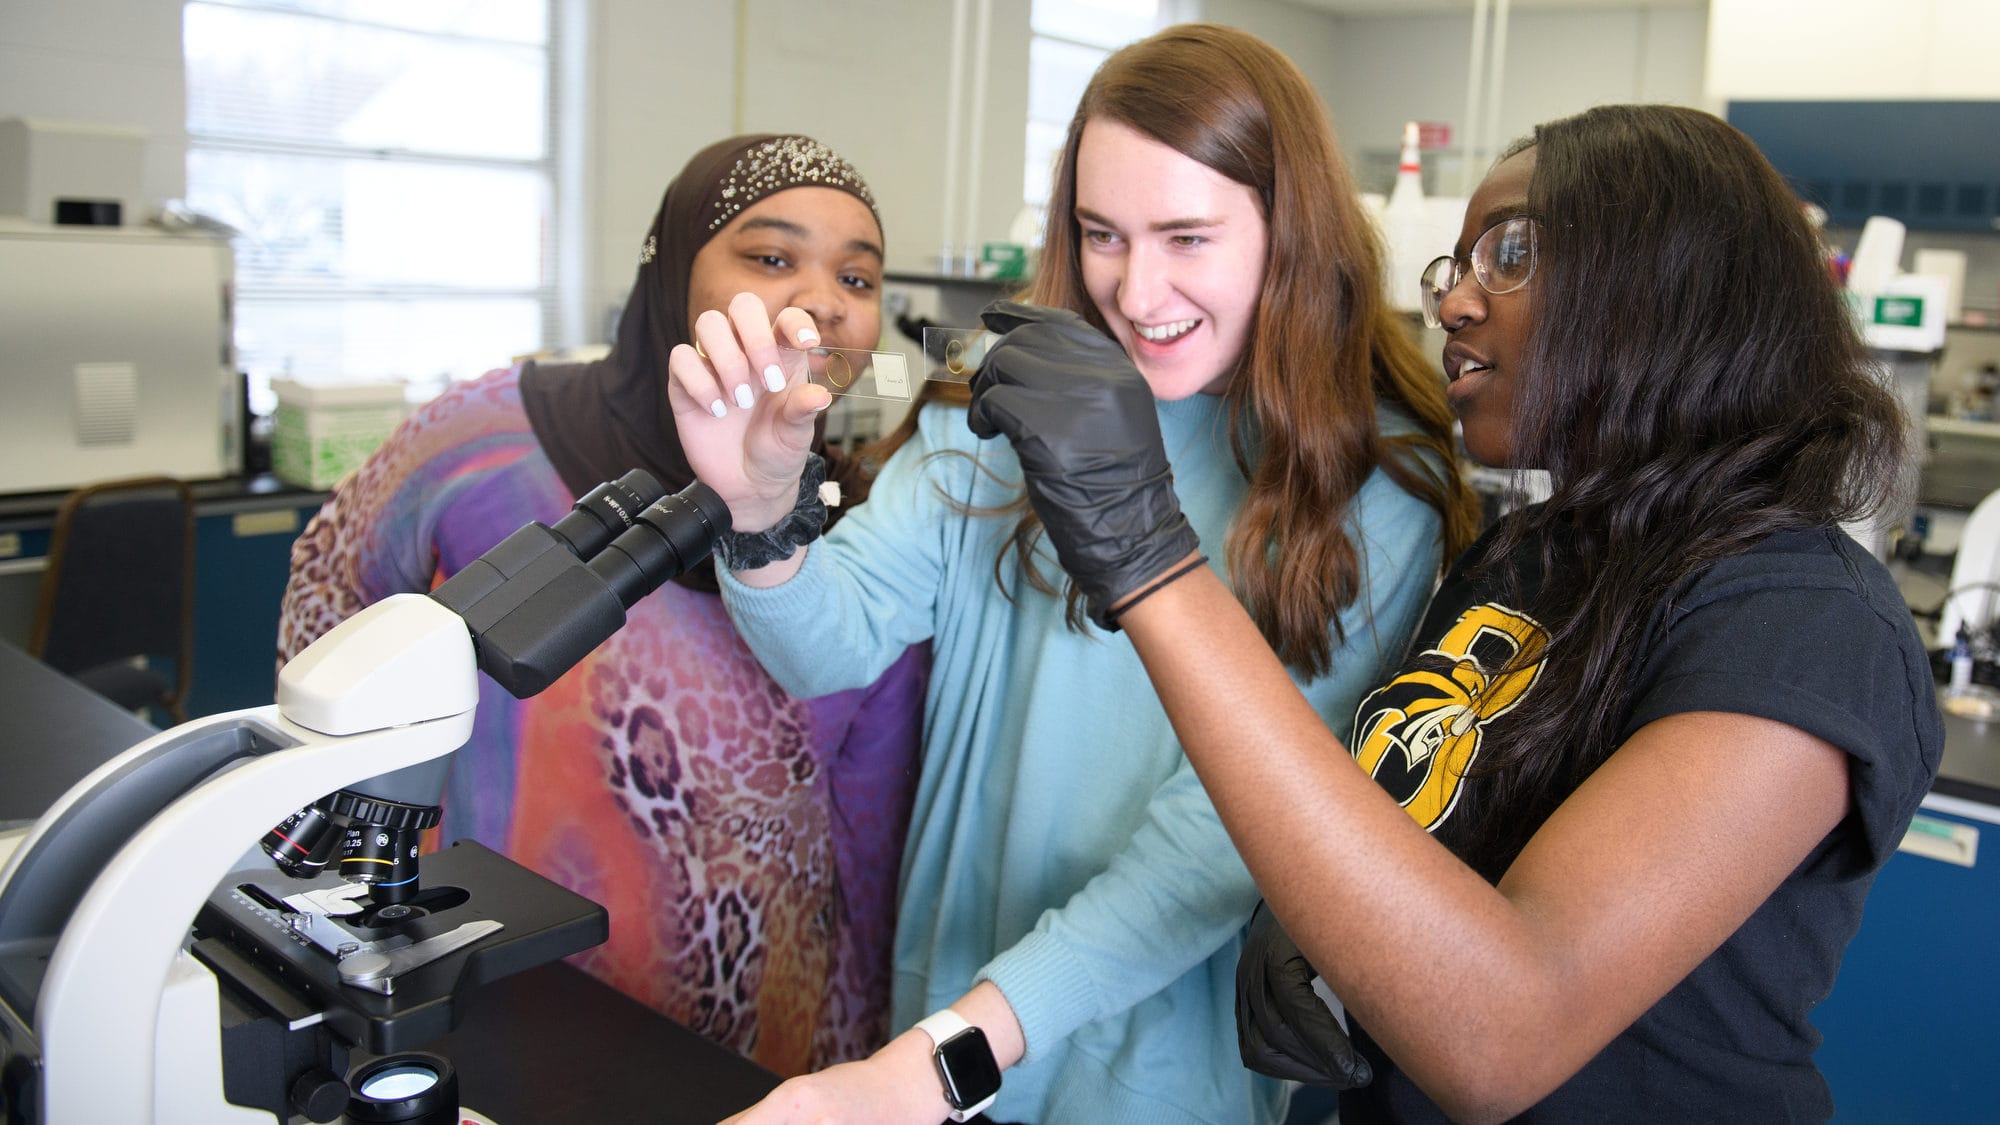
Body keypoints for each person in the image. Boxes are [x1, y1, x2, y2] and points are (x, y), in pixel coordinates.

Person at [967, 103, 1945, 1122]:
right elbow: (1426, 821)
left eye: (1509, 253)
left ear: (1675, 279)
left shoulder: (1802, 621)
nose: (1453, 304)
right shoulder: (1529, 557)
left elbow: (1503, 1031)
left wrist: (1147, 557)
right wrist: (1322, 926)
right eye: (1455, 267)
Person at [674, 23, 1479, 1125]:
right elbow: (827, 645)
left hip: (1150, 1070)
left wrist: (952, 1052)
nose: (1134, 290)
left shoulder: (1374, 484)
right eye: (1101, 234)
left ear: (1288, 234)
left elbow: (1223, 844)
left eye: (1185, 237)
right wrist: (759, 510)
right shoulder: (999, 407)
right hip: (944, 1015)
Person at [276, 134, 928, 1076]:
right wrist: (362, 864)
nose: (823, 300)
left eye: (858, 278)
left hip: (757, 1042)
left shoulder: (863, 526)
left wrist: (854, 1055)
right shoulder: (493, 443)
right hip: (507, 1000)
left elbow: (869, 824)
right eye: (772, 257)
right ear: (672, 276)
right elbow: (334, 584)